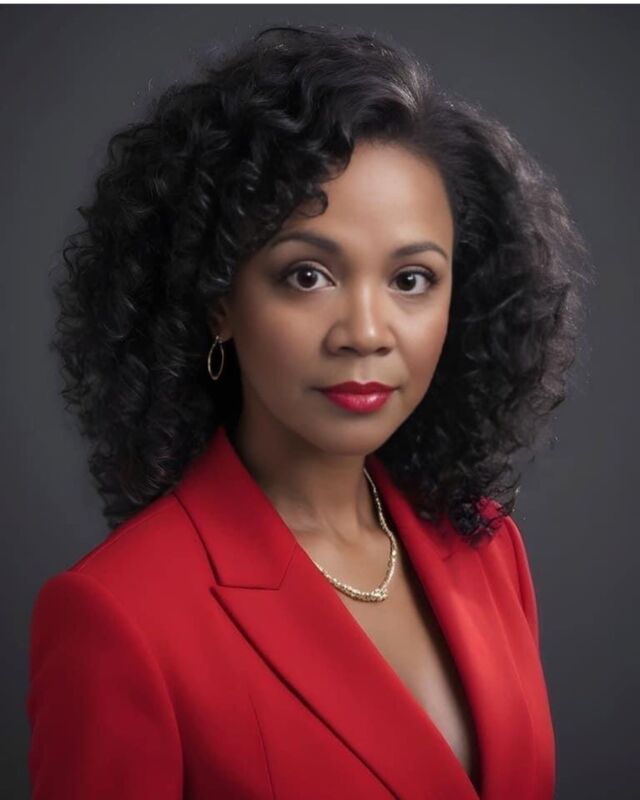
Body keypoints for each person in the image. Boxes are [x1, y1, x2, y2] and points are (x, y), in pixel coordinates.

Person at [26, 22, 589, 800]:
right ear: (218, 300)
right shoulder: (120, 618)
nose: (365, 332)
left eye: (412, 280)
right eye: (307, 276)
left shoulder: (487, 547)